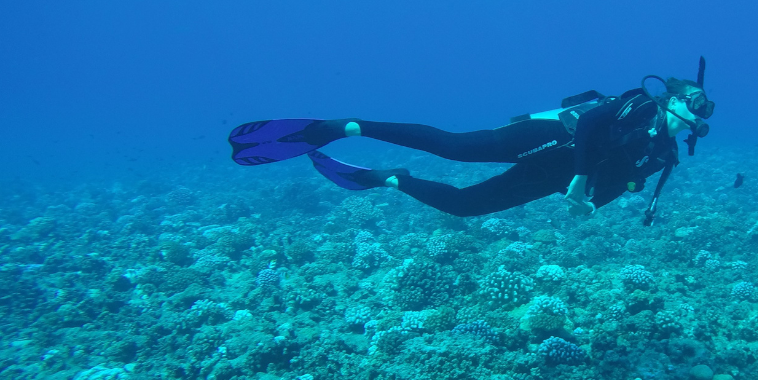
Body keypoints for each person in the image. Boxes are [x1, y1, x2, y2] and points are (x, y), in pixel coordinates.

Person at [228, 59, 715, 225]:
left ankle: (389, 178)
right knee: (456, 147)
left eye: (703, 110)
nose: (698, 113)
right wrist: (583, 180)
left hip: (556, 177)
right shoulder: (635, 103)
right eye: (695, 101)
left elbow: (627, 185)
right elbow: (588, 127)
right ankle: (351, 125)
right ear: (673, 97)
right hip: (550, 136)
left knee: (465, 207)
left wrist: (591, 203)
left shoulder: (665, 154)